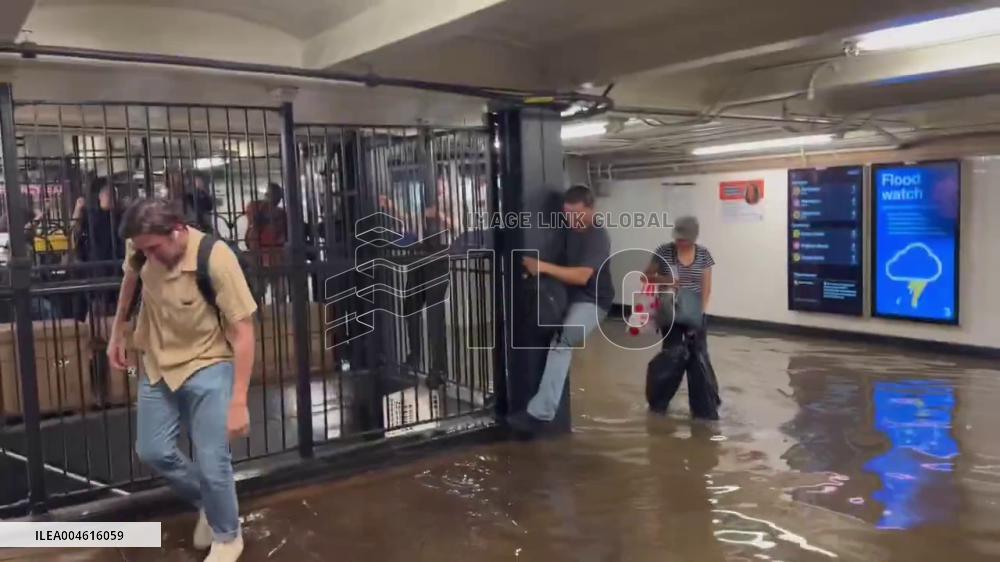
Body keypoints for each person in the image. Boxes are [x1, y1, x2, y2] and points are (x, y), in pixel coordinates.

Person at [106, 198, 257, 562]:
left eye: (155, 248)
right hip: (157, 359)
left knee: (211, 458)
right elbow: (130, 279)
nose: (149, 256)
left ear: (176, 231)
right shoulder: (142, 245)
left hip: (208, 362)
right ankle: (211, 502)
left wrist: (238, 401)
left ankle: (227, 536)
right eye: (143, 249)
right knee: (152, 449)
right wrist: (117, 332)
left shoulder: (216, 258)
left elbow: (243, 332)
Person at [508, 185, 613, 432]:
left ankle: (542, 411)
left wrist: (541, 267)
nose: (572, 220)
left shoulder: (598, 235)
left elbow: (581, 276)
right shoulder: (566, 230)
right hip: (568, 296)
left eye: (576, 214)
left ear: (591, 209)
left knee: (562, 341)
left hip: (593, 301)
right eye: (567, 215)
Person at [643, 215, 721, 419]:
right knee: (671, 359)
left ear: (694, 237)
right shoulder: (663, 251)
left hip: (695, 314)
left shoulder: (703, 255)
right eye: (678, 238)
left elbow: (706, 287)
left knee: (699, 361)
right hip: (671, 314)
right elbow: (645, 277)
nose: (680, 242)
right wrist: (666, 279)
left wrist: (701, 314)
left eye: (684, 239)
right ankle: (658, 405)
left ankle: (703, 410)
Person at [245, 183, 288, 303]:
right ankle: (275, 314)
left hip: (265, 254)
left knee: (262, 290)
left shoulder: (254, 207)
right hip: (267, 255)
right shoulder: (258, 207)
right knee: (268, 290)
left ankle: (265, 314)